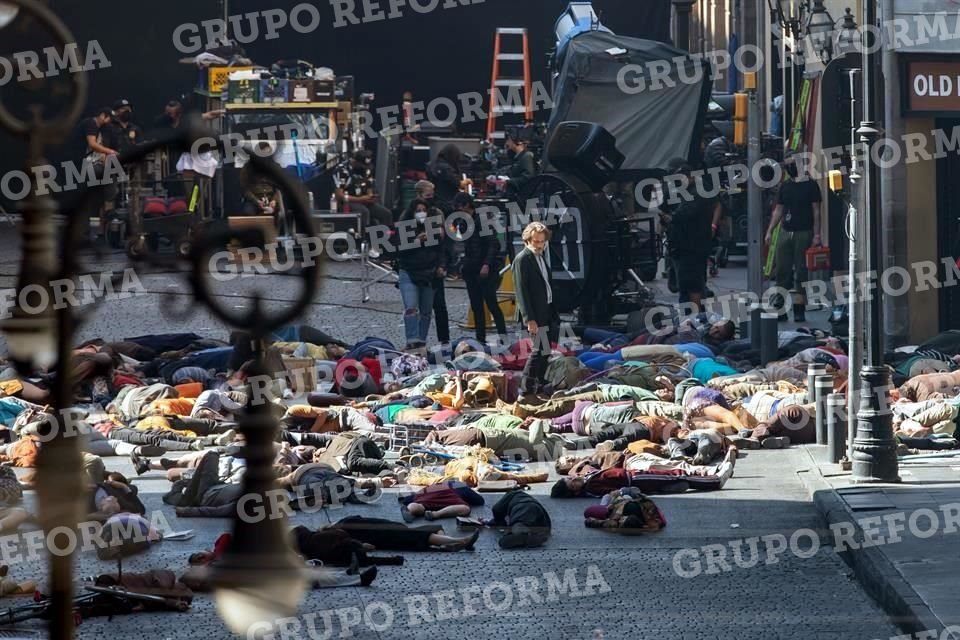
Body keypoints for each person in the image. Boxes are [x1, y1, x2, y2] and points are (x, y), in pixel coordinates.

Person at [764, 154, 823, 322]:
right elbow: (779, 210)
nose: (789, 167)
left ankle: (799, 309)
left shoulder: (811, 185)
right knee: (782, 271)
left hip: (803, 232)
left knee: (801, 272)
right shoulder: (786, 186)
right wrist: (770, 231)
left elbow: (816, 210)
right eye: (787, 164)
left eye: (791, 164)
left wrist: (817, 235)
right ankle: (780, 308)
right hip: (785, 231)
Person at [662, 158, 721, 312]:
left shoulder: (699, 192)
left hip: (692, 246)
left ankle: (696, 318)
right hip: (684, 246)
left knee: (693, 285)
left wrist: (669, 218)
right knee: (686, 285)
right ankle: (691, 317)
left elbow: (681, 215)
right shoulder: (685, 190)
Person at [513, 221, 559, 402]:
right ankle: (525, 389)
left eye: (542, 241)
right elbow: (521, 291)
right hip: (534, 314)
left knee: (545, 350)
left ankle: (538, 383)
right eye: (536, 241)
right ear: (528, 240)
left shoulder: (541, 257)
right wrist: (529, 319)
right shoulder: (523, 259)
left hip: (546, 310)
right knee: (538, 350)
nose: (539, 245)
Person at [455, 193, 507, 346]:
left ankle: (502, 336)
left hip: (485, 267)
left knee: (491, 303)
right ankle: (480, 339)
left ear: (466, 206)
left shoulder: (481, 221)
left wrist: (487, 264)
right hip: (472, 267)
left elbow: (493, 244)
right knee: (476, 304)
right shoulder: (463, 222)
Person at [396, 199, 446, 350]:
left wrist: (442, 266)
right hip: (409, 271)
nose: (421, 213)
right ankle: (412, 340)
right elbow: (398, 249)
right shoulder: (405, 228)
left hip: (429, 273)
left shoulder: (433, 228)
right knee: (411, 307)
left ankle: (421, 341)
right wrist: (416, 241)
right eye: (418, 210)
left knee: (426, 311)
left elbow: (441, 250)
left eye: (423, 210)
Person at [79, 107, 119, 236]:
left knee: (110, 176)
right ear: (103, 115)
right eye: (108, 119)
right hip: (83, 165)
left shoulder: (105, 130)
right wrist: (110, 152)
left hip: (96, 165)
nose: (109, 122)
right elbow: (92, 144)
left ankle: (107, 219)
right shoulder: (91, 123)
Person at [339, 151, 393, 228]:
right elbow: (339, 195)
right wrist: (360, 199)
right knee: (364, 212)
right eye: (362, 165)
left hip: (364, 200)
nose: (364, 168)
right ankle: (364, 237)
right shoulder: (343, 171)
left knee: (386, 214)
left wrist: (370, 197)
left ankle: (383, 238)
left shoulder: (366, 170)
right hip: (349, 201)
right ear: (355, 162)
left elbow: (369, 187)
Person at [485, 490, 551, 549]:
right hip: (541, 514)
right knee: (529, 523)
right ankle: (531, 535)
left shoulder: (511, 495)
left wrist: (496, 522)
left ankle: (521, 534)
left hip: (523, 507)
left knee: (519, 523)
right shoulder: (524, 496)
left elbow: (496, 509)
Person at [429, 144, 464, 210]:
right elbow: (457, 183)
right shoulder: (446, 168)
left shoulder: (433, 164)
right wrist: (467, 181)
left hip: (435, 201)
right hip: (447, 202)